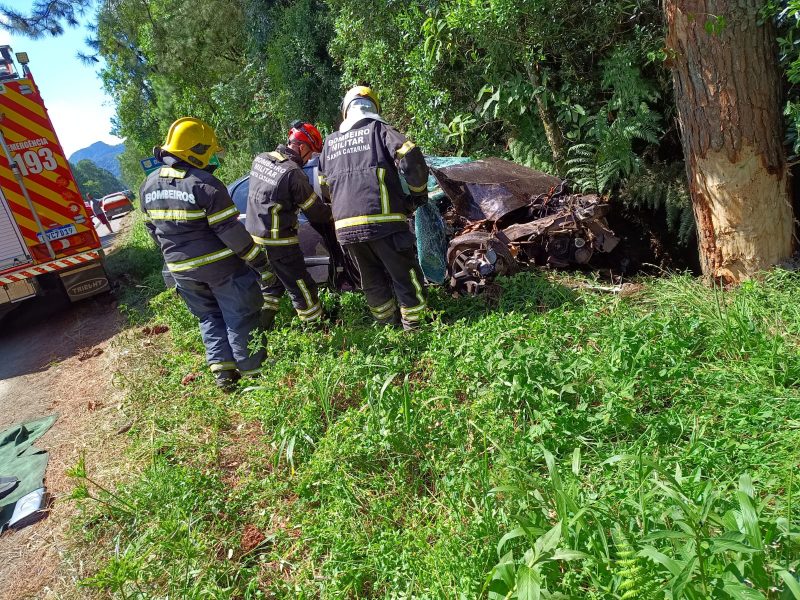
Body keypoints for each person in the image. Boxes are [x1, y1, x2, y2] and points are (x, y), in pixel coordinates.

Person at [139, 117, 273, 391]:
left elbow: (153, 231)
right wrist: (258, 259)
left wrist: (176, 256)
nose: (212, 158)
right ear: (195, 151)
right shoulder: (205, 185)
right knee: (241, 316)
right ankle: (255, 377)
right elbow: (230, 232)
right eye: (209, 152)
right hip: (221, 268)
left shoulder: (148, 186)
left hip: (181, 271)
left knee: (209, 318)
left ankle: (224, 375)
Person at [318, 86, 429, 330]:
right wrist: (418, 194)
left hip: (346, 229)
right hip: (384, 222)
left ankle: (387, 327)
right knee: (405, 275)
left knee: (371, 280)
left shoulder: (330, 143)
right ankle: (416, 327)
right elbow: (410, 156)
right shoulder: (379, 130)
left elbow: (323, 185)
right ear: (374, 107)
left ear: (346, 111)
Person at [245, 121, 333, 326]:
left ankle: (260, 329)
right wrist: (336, 214)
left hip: (253, 242)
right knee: (302, 288)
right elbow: (316, 213)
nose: (310, 158)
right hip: (280, 244)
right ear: (302, 147)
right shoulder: (293, 173)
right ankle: (316, 329)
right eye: (311, 153)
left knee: (271, 286)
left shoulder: (260, 159)